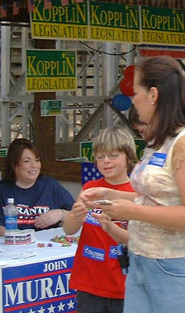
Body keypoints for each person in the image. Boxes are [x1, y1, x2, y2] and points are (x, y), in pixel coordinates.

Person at [79, 56, 185, 313]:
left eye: (136, 93)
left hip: (180, 269)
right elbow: (158, 200)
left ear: (153, 95)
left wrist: (131, 212)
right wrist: (112, 195)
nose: (132, 100)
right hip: (143, 261)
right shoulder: (159, 142)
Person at [64, 126, 137, 313]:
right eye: (100, 156)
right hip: (89, 282)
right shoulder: (90, 187)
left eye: (113, 155)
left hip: (126, 286)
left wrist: (111, 227)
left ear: (128, 157)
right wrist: (75, 216)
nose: (106, 161)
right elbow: (69, 229)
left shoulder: (136, 193)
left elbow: (139, 240)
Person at [0, 138, 75, 236]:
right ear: (14, 165)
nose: (34, 166)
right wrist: (21, 238)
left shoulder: (51, 186)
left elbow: (79, 215)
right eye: (27, 161)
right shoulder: (2, 190)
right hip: (13, 246)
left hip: (48, 246)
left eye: (37, 160)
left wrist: (61, 214)